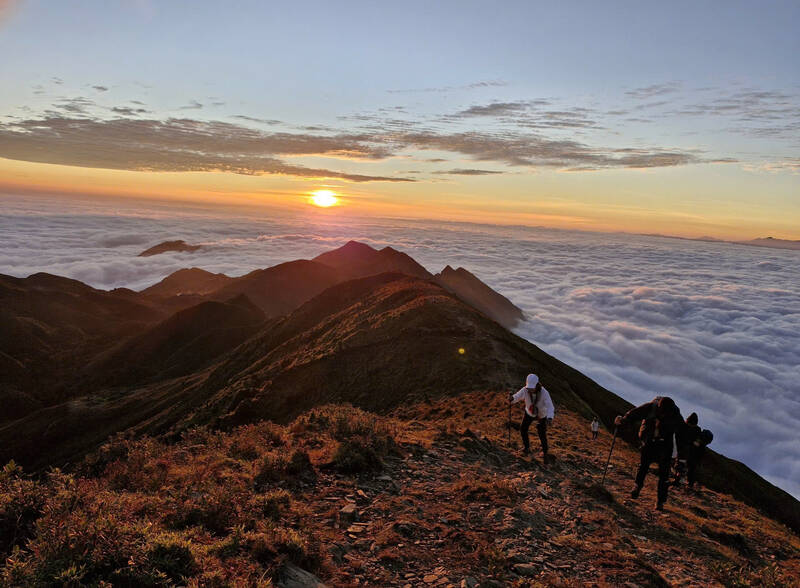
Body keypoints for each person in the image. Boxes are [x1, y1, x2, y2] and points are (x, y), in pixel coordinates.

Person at [615, 396, 686, 511]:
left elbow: (682, 437)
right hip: (650, 440)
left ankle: (659, 501)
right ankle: (638, 487)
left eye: (666, 413)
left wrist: (681, 458)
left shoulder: (676, 417)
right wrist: (623, 420)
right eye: (662, 412)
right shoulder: (650, 408)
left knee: (662, 474)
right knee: (645, 466)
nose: (663, 415)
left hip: (665, 445)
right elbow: (634, 414)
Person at [511, 373, 555, 462]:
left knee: (541, 433)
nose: (530, 390)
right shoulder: (525, 390)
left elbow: (550, 406)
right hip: (529, 412)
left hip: (542, 415)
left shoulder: (544, 393)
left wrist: (550, 417)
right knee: (523, 429)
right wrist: (512, 399)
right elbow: (517, 396)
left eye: (532, 387)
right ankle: (526, 448)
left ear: (537, 385)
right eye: (529, 388)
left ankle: (545, 452)